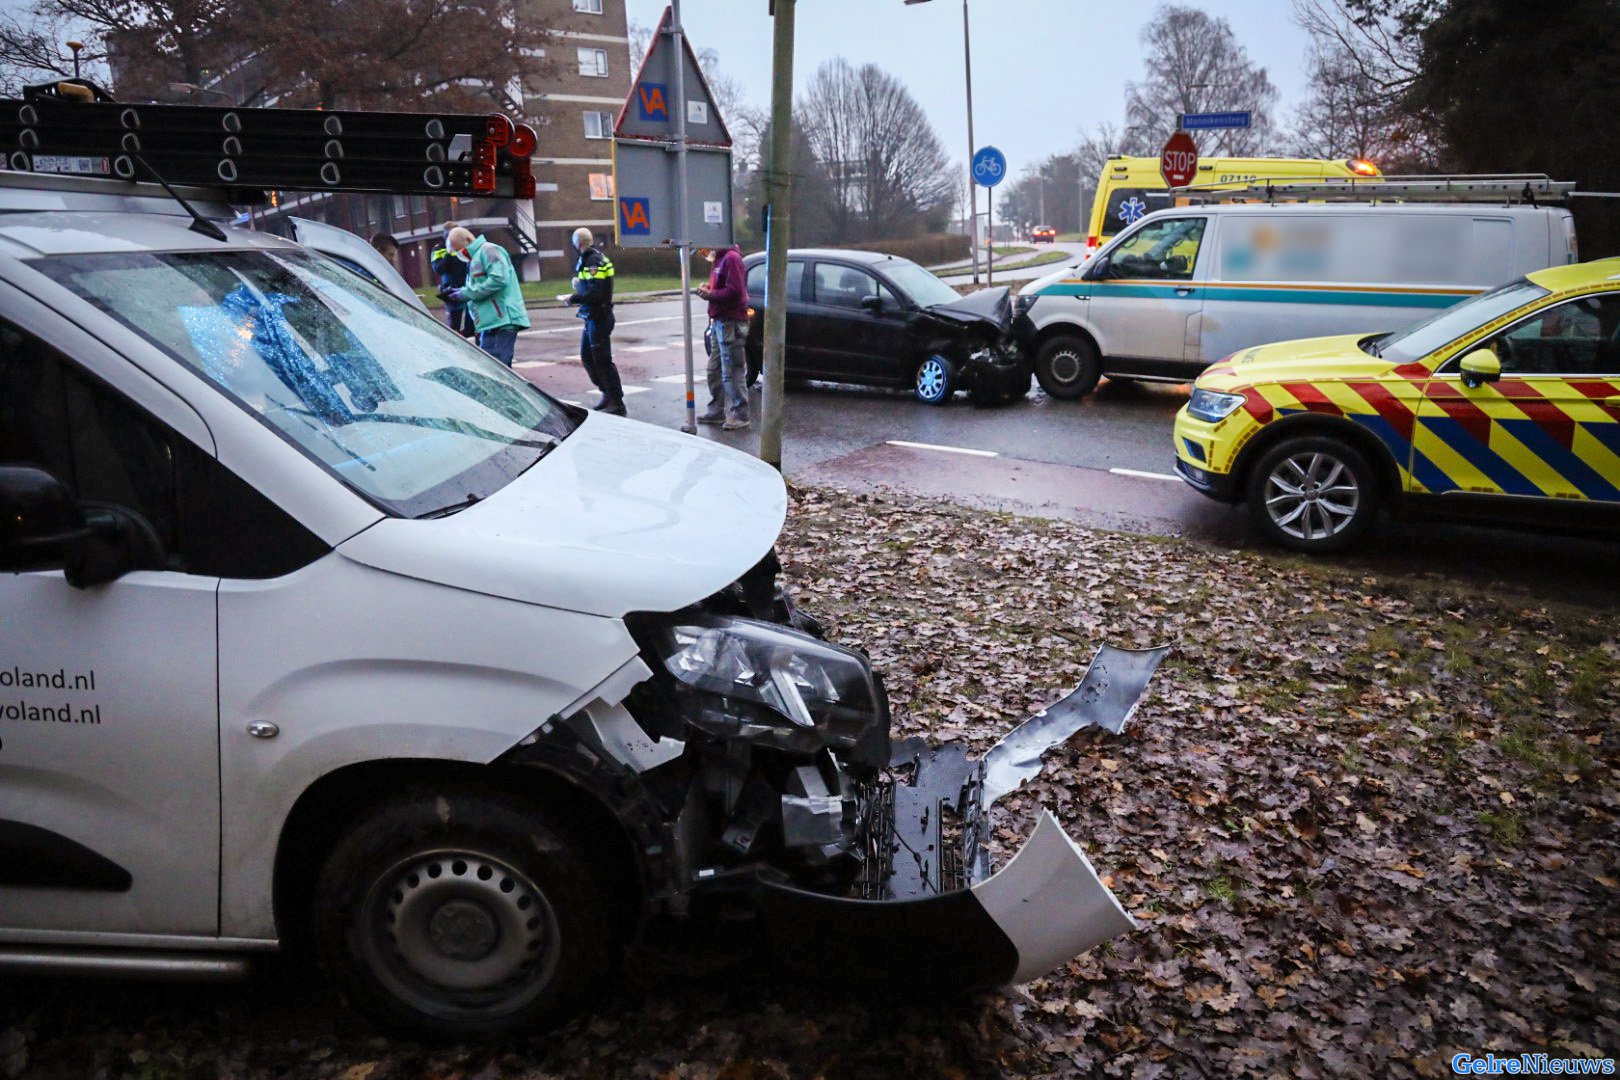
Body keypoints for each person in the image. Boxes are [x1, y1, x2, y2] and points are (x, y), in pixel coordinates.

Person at [444, 226, 530, 366]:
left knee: (498, 370)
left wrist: (465, 293)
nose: (459, 254)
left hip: (501, 320)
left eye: (459, 249)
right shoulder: (476, 257)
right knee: (492, 368)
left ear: (468, 240)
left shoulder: (488, 250)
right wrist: (460, 293)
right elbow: (481, 286)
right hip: (491, 322)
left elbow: (499, 279)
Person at [563, 227, 625, 415]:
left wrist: (573, 298)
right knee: (588, 358)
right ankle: (607, 393)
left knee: (602, 361)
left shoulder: (592, 261)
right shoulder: (594, 258)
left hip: (598, 316)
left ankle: (616, 401)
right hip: (593, 317)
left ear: (578, 243)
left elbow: (596, 292)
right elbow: (593, 286)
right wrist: (579, 286)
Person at [695, 244, 751, 429]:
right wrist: (710, 287)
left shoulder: (731, 258)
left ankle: (740, 414)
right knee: (714, 369)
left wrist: (711, 294)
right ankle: (716, 411)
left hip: (731, 322)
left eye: (704, 249)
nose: (704, 253)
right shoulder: (720, 258)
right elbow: (724, 285)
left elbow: (735, 291)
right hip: (720, 321)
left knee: (732, 371)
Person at [430, 225, 476, 337]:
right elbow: (438, 269)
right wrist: (448, 254)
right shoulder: (438, 249)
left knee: (473, 326)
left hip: (468, 289)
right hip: (451, 291)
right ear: (444, 235)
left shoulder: (465, 246)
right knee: (454, 327)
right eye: (450, 234)